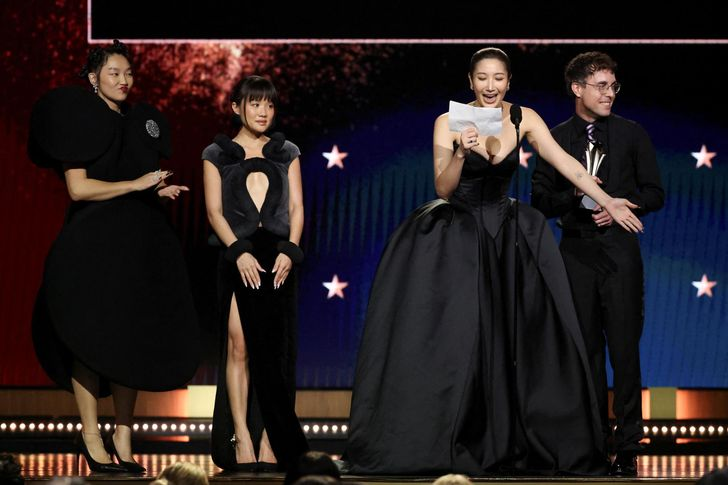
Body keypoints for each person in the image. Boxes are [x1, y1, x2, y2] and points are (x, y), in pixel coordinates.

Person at [346, 47, 644, 476]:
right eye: (483, 78)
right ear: (471, 81)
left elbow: (569, 166)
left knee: (512, 339)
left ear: (508, 81)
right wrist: (460, 153)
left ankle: (511, 437)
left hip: (505, 237)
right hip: (459, 239)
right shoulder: (447, 121)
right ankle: (454, 434)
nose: (491, 86)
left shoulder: (523, 117)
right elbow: (443, 188)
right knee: (462, 339)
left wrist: (608, 201)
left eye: (499, 78)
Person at [28, 40, 200, 473]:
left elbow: (135, 181)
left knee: (129, 340)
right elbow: (79, 188)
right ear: (93, 78)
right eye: (113, 73)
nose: (123, 81)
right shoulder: (79, 120)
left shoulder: (139, 123)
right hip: (89, 248)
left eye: (128, 73)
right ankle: (90, 435)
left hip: (134, 248)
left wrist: (156, 190)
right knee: (87, 340)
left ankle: (124, 435)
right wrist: (136, 185)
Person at [531, 51, 664, 476]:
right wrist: (576, 195)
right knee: (584, 351)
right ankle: (589, 443)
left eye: (613, 86)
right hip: (575, 254)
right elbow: (539, 200)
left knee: (624, 351)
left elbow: (655, 193)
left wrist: (622, 205)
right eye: (601, 86)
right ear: (577, 89)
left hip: (619, 253)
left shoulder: (632, 134)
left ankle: (627, 447)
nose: (609, 94)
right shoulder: (554, 139)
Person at [203, 75, 309, 472]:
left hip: (278, 257)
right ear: (237, 107)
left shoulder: (287, 152)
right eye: (255, 103)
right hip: (237, 257)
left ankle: (271, 439)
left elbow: (296, 208)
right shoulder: (217, 153)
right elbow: (214, 211)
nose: (263, 111)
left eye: (269, 104)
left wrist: (291, 251)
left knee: (276, 352)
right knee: (240, 347)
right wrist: (238, 252)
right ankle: (241, 437)